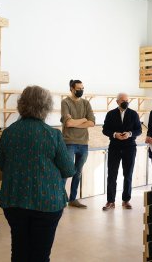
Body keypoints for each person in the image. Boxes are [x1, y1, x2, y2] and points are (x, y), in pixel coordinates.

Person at [0, 85, 75, 262]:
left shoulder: (9, 133)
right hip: (47, 202)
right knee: (40, 255)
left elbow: (1, 165)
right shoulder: (53, 135)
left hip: (14, 201)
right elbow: (68, 169)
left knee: (19, 251)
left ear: (21, 105)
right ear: (46, 107)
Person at [102, 93, 142, 210]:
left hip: (129, 147)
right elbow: (105, 130)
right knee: (112, 174)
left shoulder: (133, 114)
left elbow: (138, 130)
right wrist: (115, 134)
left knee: (128, 174)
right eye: (123, 100)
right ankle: (110, 201)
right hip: (114, 147)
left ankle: (126, 200)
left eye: (127, 100)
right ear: (117, 102)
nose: (125, 102)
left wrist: (129, 134)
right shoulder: (110, 114)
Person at [60, 79, 95, 208]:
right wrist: (83, 120)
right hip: (69, 142)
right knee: (66, 170)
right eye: (78, 88)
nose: (81, 90)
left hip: (83, 143)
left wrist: (77, 122)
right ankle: (60, 198)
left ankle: (73, 199)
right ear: (71, 89)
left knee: (78, 172)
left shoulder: (86, 103)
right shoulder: (65, 102)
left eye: (82, 88)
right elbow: (68, 123)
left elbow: (92, 122)